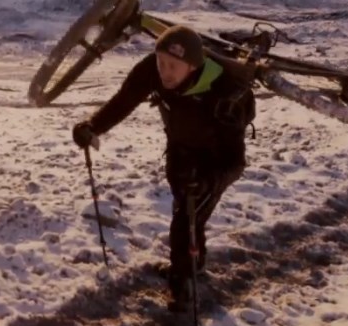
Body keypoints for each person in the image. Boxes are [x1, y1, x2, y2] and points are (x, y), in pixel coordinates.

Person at [71, 24, 255, 311]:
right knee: (185, 210)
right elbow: (125, 100)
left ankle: (183, 287)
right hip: (180, 148)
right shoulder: (151, 70)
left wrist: (209, 182)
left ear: (192, 67)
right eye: (161, 63)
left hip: (215, 161)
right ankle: (193, 265)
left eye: (173, 66)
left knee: (186, 217)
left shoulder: (226, 95)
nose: (165, 72)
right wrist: (93, 127)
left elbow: (235, 162)